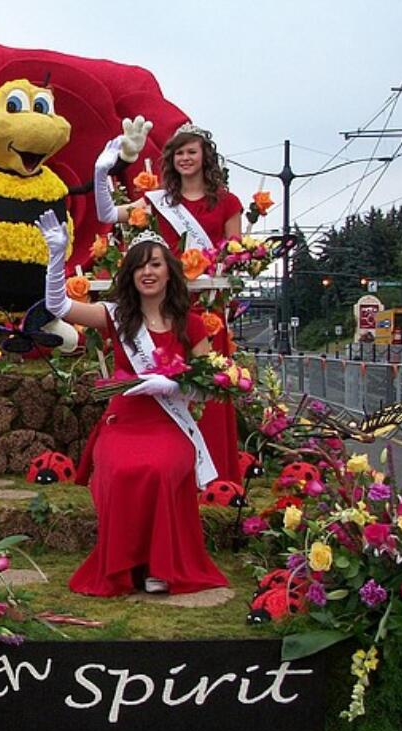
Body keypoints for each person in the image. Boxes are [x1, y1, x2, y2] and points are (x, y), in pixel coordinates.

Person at [38, 211, 228, 597]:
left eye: (155, 264)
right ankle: (127, 566)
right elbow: (57, 307)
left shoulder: (190, 324)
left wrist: (172, 385)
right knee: (121, 470)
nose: (148, 272)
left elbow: (211, 384)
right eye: (139, 266)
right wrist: (56, 257)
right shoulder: (116, 317)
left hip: (168, 423)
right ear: (130, 275)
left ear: (170, 271)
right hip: (124, 421)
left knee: (160, 468)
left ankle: (160, 566)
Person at [95, 124, 244, 486]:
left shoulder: (226, 201)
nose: (186, 158)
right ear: (171, 159)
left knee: (206, 381)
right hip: (162, 301)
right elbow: (107, 214)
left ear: (205, 156)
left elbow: (236, 251)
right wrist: (101, 173)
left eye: (191, 151)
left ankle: (213, 475)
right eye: (179, 152)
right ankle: (164, 460)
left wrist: (221, 265)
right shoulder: (159, 200)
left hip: (206, 305)